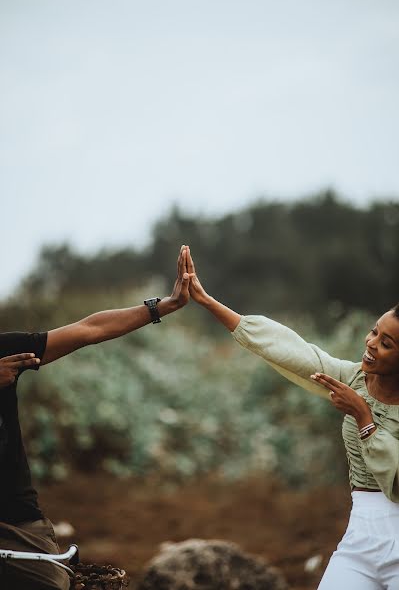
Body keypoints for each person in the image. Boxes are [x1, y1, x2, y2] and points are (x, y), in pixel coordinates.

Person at [185, 245, 399, 590]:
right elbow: (293, 351)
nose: (371, 343)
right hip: (361, 533)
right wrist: (209, 302)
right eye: (374, 331)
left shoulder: (361, 398)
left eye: (387, 343)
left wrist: (363, 416)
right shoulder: (354, 378)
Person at [0, 246, 190, 590]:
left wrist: (164, 305)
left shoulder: (5, 352)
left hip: (15, 522)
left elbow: (90, 329)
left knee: (52, 583)